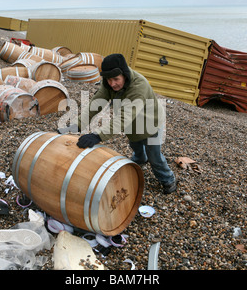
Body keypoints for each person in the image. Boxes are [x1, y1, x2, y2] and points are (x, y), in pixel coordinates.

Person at [73, 53, 176, 194]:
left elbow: (123, 118)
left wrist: (97, 135)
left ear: (125, 74)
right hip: (133, 124)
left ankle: (168, 179)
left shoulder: (139, 86)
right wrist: (78, 124)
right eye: (109, 80)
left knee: (155, 156)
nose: (112, 84)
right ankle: (140, 159)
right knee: (135, 144)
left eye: (116, 79)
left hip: (151, 123)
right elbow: (95, 104)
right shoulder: (109, 85)